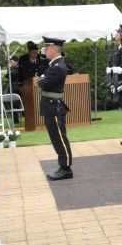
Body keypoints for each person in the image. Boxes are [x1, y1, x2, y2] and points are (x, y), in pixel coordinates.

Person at [39, 36, 73, 181]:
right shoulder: (54, 65)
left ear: (53, 49)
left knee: (59, 138)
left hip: (54, 107)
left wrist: (41, 79)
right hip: (50, 106)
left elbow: (44, 83)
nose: (45, 51)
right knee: (56, 138)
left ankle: (66, 168)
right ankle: (63, 166)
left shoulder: (58, 66)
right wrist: (42, 79)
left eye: (47, 48)